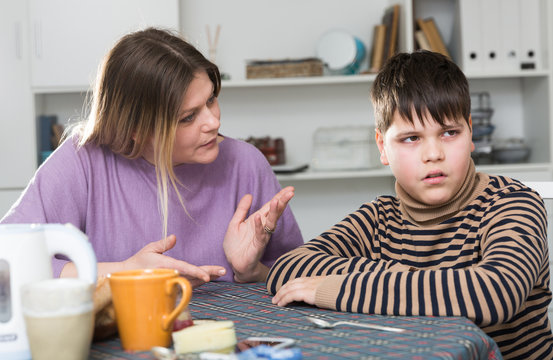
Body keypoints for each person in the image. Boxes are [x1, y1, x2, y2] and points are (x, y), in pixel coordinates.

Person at [266, 50, 552, 359]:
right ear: (382, 147)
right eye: (411, 138)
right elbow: (289, 268)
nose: (433, 154)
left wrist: (338, 287)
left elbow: (494, 293)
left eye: (449, 133)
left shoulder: (512, 203)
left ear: (471, 133)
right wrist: (408, 278)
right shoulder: (378, 217)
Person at [1, 27, 303, 287]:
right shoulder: (83, 161)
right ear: (136, 130)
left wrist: (252, 271)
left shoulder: (246, 164)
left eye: (211, 99)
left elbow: (300, 278)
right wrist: (125, 272)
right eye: (188, 117)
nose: (213, 122)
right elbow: (7, 258)